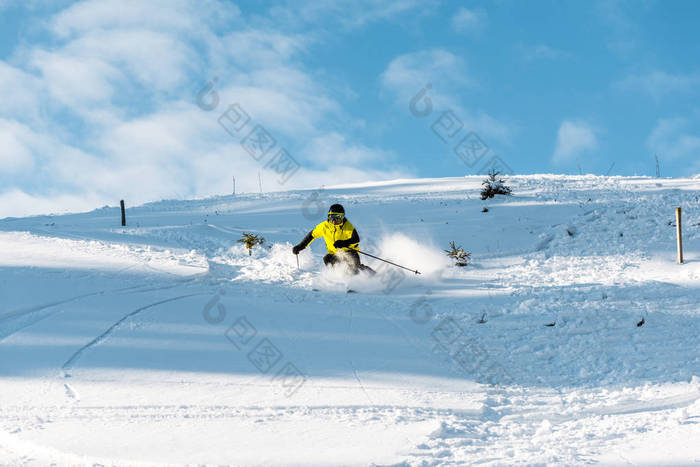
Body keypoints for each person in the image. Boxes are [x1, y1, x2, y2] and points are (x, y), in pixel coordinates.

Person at [292, 204, 373, 275]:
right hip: (335, 254)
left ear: (342, 217)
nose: (334, 221)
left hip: (350, 252)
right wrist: (300, 246)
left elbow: (356, 239)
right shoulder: (324, 226)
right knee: (327, 259)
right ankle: (340, 279)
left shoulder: (347, 226)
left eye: (337, 218)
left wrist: (343, 243)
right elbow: (311, 236)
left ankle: (368, 276)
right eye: (332, 217)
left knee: (354, 269)